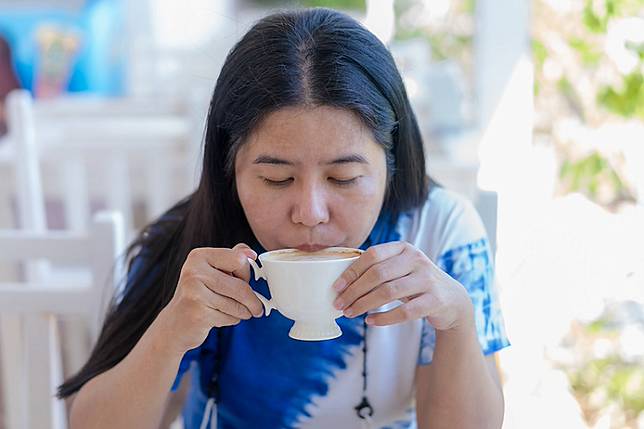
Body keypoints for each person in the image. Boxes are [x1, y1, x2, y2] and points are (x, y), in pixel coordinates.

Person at [58, 8, 509, 429]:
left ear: (391, 163)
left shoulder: (442, 232)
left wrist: (457, 321)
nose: (310, 213)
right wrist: (171, 332)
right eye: (277, 179)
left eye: (344, 178)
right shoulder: (194, 244)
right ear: (230, 169)